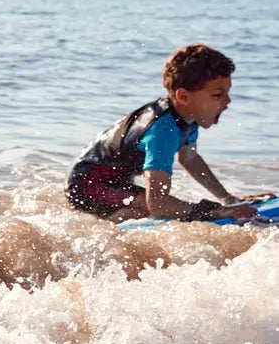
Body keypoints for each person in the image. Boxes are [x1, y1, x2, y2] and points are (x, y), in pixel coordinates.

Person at [65, 43, 269, 223]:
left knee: (157, 207)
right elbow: (158, 203)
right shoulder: (163, 130)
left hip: (113, 181)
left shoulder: (188, 116)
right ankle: (100, 230)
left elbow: (189, 158)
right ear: (183, 96)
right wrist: (214, 212)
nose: (228, 102)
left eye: (227, 93)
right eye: (218, 95)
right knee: (144, 210)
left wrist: (227, 199)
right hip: (86, 184)